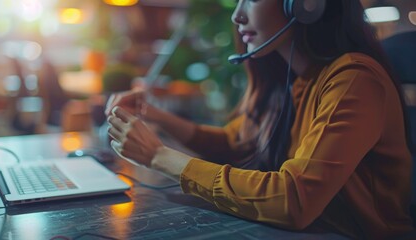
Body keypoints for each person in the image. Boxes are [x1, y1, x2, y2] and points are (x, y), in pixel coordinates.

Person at [105, 0, 415, 239]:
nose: (236, 15)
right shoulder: (292, 77)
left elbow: (294, 200)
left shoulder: (354, 79)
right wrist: (156, 115)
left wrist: (158, 156)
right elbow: (236, 144)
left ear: (305, 4)